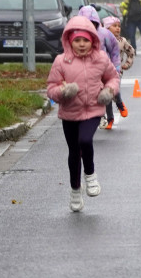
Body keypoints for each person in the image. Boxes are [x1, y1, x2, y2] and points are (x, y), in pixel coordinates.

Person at [46, 16, 120, 212]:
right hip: (70, 112)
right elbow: (51, 88)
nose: (81, 44)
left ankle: (91, 175)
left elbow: (113, 78)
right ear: (70, 40)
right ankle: (75, 191)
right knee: (73, 152)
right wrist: (63, 92)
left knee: (85, 141)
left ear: (93, 40)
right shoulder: (61, 61)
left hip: (93, 109)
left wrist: (109, 91)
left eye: (85, 40)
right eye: (77, 40)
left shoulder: (101, 59)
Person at [79, 6, 120, 129]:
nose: (89, 26)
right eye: (86, 22)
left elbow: (114, 50)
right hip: (82, 72)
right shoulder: (75, 34)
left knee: (105, 95)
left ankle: (108, 116)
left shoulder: (104, 34)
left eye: (92, 23)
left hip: (102, 71)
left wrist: (116, 68)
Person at [102, 16, 133, 127]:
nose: (117, 28)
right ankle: (110, 119)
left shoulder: (122, 41)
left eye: (119, 26)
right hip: (103, 72)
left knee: (114, 89)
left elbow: (131, 52)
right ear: (106, 28)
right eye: (114, 26)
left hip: (117, 71)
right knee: (107, 97)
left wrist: (127, 64)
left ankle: (120, 104)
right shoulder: (101, 40)